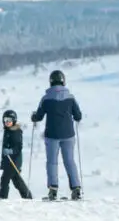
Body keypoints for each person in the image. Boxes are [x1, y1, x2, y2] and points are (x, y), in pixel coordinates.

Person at [30, 70, 84, 201]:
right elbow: (78, 116)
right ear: (63, 81)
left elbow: (39, 116)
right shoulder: (70, 98)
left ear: (51, 82)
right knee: (70, 161)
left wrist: (33, 117)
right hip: (68, 134)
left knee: (52, 162)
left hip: (52, 134)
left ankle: (53, 190)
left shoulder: (46, 98)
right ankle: (76, 189)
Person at [0, 109, 33, 200]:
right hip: (8, 160)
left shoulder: (16, 131)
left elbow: (18, 147)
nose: (7, 122)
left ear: (14, 120)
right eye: (5, 120)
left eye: (9, 120)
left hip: (14, 160)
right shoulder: (8, 130)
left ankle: (2, 197)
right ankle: (27, 196)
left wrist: (10, 151)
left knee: (5, 179)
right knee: (16, 180)